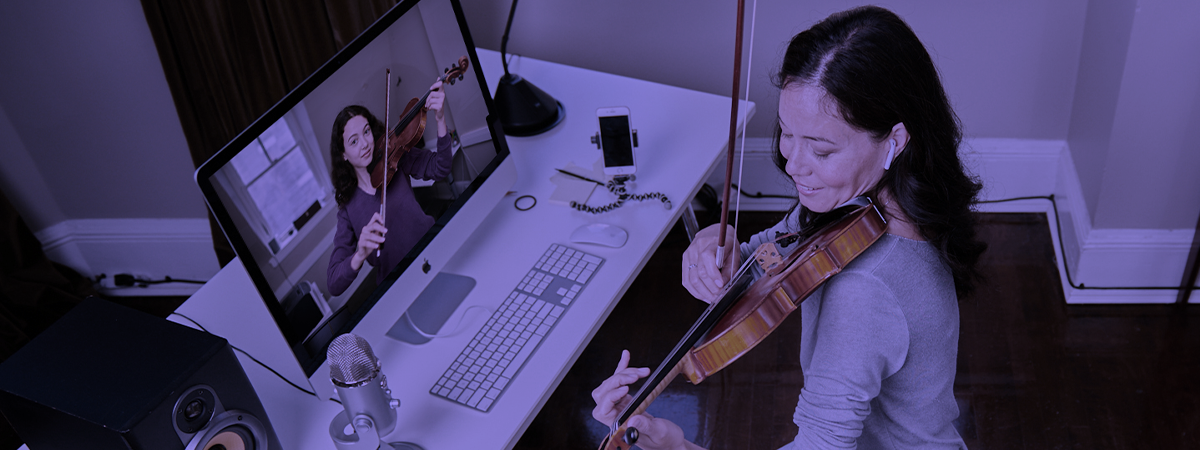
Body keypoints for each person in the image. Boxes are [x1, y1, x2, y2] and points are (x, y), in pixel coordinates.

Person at [591, 6, 986, 449]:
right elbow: (774, 252)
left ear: (895, 140)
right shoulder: (873, 207)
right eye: (785, 133)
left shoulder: (864, 293)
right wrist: (712, 245)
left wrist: (675, 446)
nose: (794, 166)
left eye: (820, 150)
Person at [327, 79, 453, 297]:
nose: (365, 144)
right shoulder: (348, 210)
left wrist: (440, 119)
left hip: (433, 250)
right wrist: (360, 254)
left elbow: (441, 168)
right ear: (343, 155)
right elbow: (333, 284)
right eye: (354, 141)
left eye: (366, 132)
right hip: (398, 287)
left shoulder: (393, 158)